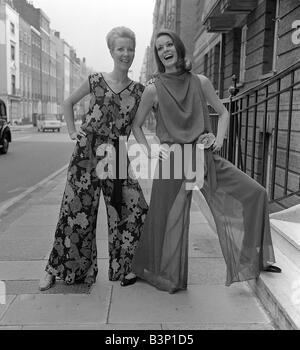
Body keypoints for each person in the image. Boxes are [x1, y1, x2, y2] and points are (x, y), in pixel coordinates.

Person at [131, 29, 281, 294]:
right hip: (174, 161)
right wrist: (152, 150)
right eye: (159, 48)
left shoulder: (200, 81)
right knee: (162, 218)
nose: (165, 50)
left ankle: (257, 257)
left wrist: (219, 140)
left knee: (255, 193)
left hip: (203, 157)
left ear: (178, 47)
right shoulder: (153, 89)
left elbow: (223, 113)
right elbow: (137, 125)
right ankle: (149, 269)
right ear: (157, 55)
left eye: (169, 45)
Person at [39, 27, 148, 291]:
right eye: (120, 49)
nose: (126, 54)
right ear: (111, 51)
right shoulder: (96, 80)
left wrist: (150, 148)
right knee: (76, 212)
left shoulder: (139, 90)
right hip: (87, 153)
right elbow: (67, 103)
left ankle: (127, 267)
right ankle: (56, 269)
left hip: (116, 153)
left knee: (134, 208)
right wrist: (72, 131)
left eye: (130, 49)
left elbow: (138, 125)